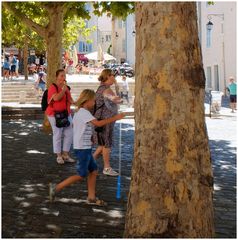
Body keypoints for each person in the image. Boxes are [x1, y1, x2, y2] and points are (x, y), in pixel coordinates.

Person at [49, 89, 125, 204]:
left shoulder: (81, 112)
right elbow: (98, 124)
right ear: (87, 101)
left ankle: (91, 197)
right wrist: (116, 118)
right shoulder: (84, 112)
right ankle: (56, 188)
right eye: (93, 101)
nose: (94, 103)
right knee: (81, 174)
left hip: (85, 148)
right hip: (82, 149)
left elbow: (81, 128)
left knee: (93, 171)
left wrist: (88, 137)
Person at [93, 69, 123, 176]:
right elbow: (118, 100)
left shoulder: (102, 88)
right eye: (112, 76)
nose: (114, 78)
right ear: (108, 77)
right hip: (105, 120)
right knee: (106, 144)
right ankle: (106, 167)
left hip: (103, 119)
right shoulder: (106, 90)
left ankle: (89, 161)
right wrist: (117, 86)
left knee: (102, 143)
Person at [45, 69, 75, 164]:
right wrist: (63, 90)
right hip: (54, 114)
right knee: (57, 133)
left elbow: (70, 100)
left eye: (64, 75)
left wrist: (81, 102)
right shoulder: (53, 87)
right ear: (57, 77)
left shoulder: (66, 88)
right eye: (61, 75)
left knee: (69, 132)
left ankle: (65, 154)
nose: (63, 77)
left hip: (66, 113)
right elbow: (57, 98)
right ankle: (58, 155)